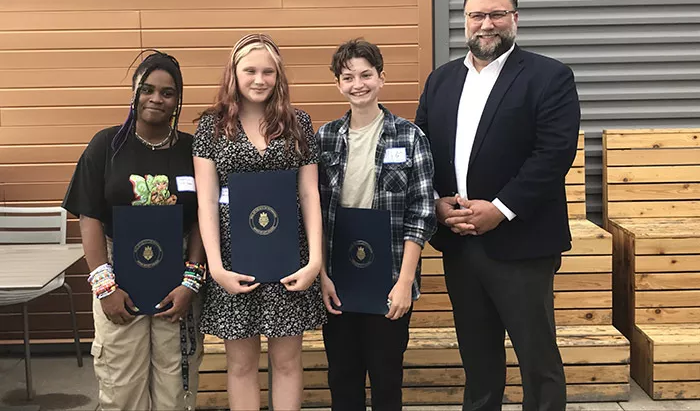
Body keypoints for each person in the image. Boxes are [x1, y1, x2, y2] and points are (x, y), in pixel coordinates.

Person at [415, 0, 581, 411]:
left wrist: (501, 209)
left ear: (515, 20)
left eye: (496, 14)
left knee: (537, 358)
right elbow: (424, 151)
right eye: (477, 15)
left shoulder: (549, 77)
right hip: (460, 241)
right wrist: (436, 201)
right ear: (464, 21)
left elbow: (553, 154)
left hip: (522, 244)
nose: (486, 24)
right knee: (478, 357)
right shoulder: (441, 81)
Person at [62, 50, 205, 411]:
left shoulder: (192, 150)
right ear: (134, 92)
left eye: (167, 92)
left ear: (178, 100)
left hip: (178, 276)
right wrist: (104, 285)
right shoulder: (105, 147)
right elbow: (89, 215)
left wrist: (191, 281)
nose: (156, 98)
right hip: (117, 272)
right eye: (148, 89)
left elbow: (203, 217)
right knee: (121, 382)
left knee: (176, 383)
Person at [193, 33, 325, 411]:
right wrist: (215, 267)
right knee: (241, 364)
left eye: (268, 71)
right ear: (233, 74)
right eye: (249, 70)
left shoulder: (298, 123)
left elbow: (309, 194)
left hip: (289, 260)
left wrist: (314, 260)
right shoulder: (212, 127)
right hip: (235, 262)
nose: (259, 79)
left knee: (286, 363)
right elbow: (206, 201)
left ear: (279, 76)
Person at [317, 39, 436, 411]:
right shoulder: (324, 139)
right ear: (338, 83)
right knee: (342, 376)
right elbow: (314, 213)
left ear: (382, 78)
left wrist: (404, 282)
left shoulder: (410, 137)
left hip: (389, 276)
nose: (358, 84)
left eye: (366, 75)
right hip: (338, 277)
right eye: (348, 77)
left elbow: (421, 214)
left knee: (386, 376)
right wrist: (322, 277)